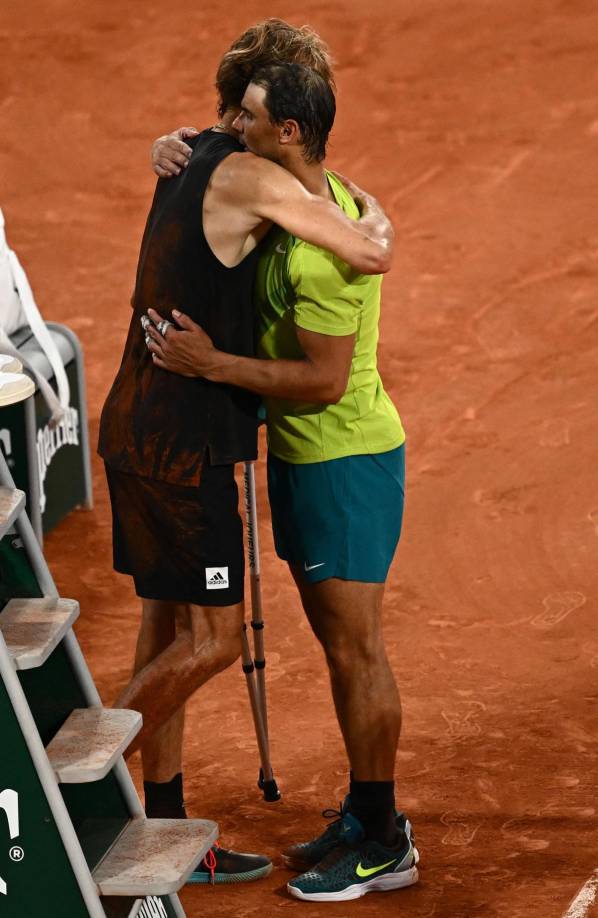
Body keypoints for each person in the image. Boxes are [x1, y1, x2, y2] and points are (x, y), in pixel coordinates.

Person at [97, 19, 394, 886]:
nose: (228, 120)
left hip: (138, 427)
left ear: (287, 123)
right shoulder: (248, 171)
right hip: (186, 445)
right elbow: (366, 249)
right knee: (213, 643)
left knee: (166, 627)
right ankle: (59, 794)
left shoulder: (192, 155)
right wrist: (376, 213)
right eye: (230, 108)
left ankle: (160, 829)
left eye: (246, 110)